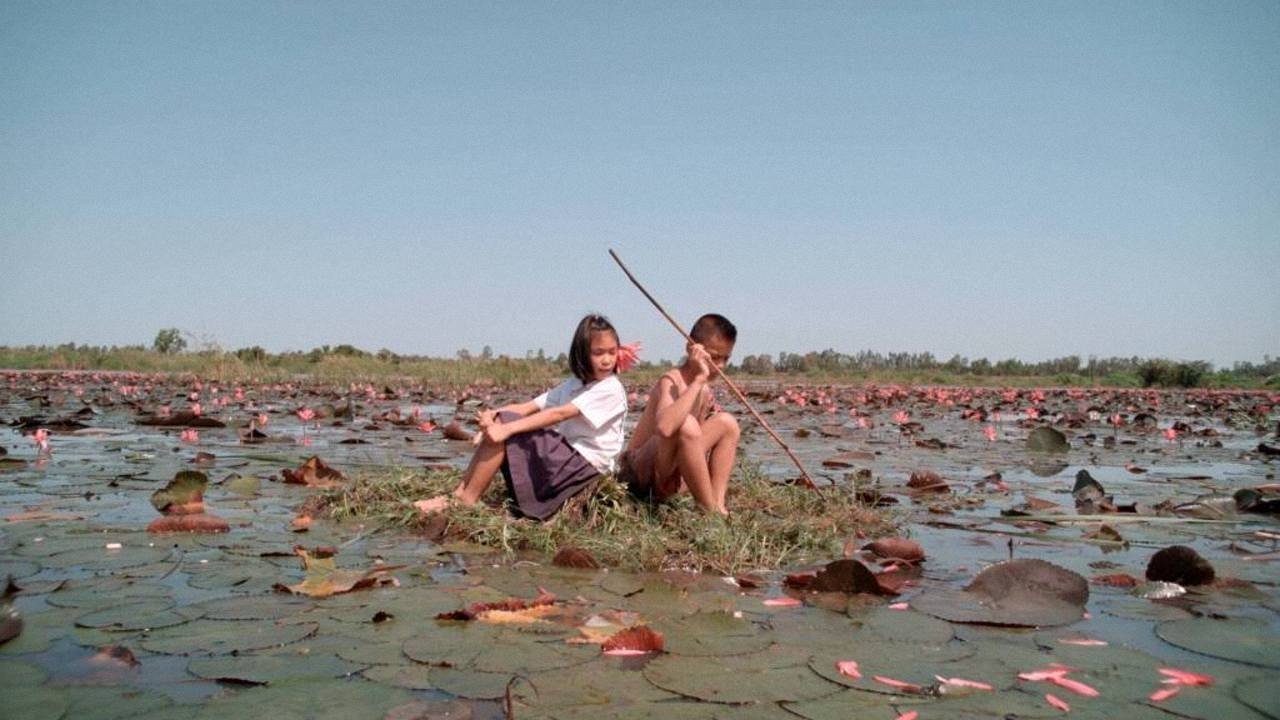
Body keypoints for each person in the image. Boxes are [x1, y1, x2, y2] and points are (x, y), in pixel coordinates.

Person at [413, 314, 629, 520]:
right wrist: (493, 415)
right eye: (598, 353)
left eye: (611, 352)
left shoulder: (610, 388)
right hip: (567, 460)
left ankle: (467, 499)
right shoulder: (574, 384)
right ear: (582, 353)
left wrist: (505, 428)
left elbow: (559, 413)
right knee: (504, 420)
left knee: (506, 426)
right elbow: (525, 407)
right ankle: (458, 494)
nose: (607, 360)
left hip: (585, 469)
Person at [620, 314, 740, 516]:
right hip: (639, 474)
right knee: (686, 424)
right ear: (692, 349)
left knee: (727, 423)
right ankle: (709, 511)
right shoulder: (671, 380)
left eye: (725, 358)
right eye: (713, 357)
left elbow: (693, 443)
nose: (720, 366)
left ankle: (718, 503)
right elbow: (666, 428)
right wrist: (699, 380)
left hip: (671, 472)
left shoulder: (703, 391)